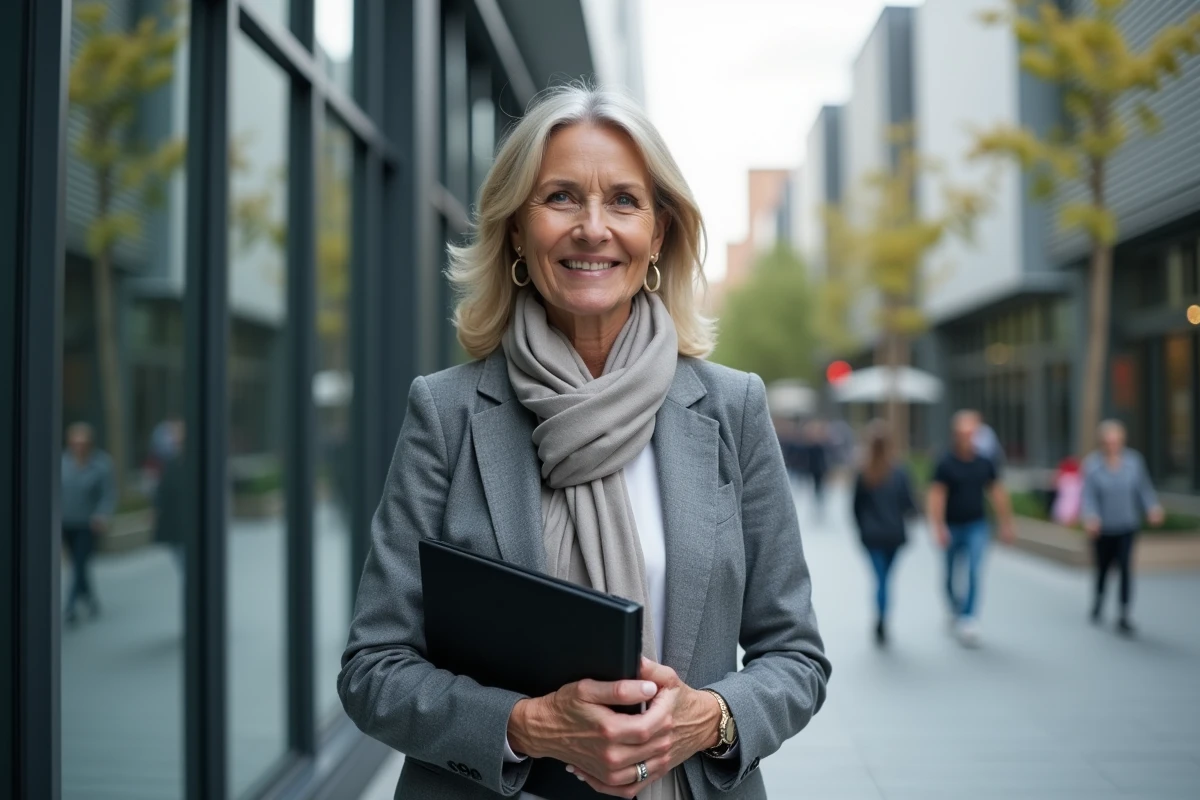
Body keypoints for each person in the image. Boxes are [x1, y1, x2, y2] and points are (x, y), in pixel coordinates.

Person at [339, 85, 830, 800]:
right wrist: (526, 725)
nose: (592, 228)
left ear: (659, 234)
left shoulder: (733, 409)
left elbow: (796, 657)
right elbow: (372, 669)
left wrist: (708, 718)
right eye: (561, 197)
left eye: (624, 201)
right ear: (514, 228)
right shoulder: (445, 413)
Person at [926, 410, 1015, 647]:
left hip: (977, 525)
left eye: (972, 433)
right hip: (952, 526)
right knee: (949, 575)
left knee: (974, 570)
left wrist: (1006, 523)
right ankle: (956, 607)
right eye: (963, 434)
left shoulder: (984, 462)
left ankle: (969, 617)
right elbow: (936, 496)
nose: (968, 438)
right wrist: (938, 526)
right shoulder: (945, 462)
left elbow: (997, 493)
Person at [1081, 420, 1163, 635]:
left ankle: (1124, 614)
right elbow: (1088, 496)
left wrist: (1152, 507)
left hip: (1127, 525)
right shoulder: (1092, 465)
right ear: (1101, 443)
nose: (1112, 446)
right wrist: (1091, 517)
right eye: (1108, 442)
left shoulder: (1134, 462)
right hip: (1102, 528)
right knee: (1103, 569)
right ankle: (1099, 600)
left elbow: (1143, 489)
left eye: (1116, 442)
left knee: (1126, 569)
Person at [852, 421, 916, 646]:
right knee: (886, 578)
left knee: (879, 579)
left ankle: (880, 616)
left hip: (872, 536)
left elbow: (856, 507)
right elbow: (909, 504)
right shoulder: (899, 472)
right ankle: (883, 615)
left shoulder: (864, 472)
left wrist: (861, 529)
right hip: (894, 535)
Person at [60, 422, 115, 626]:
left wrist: (101, 515)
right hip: (65, 522)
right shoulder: (61, 462)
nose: (79, 447)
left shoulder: (101, 464)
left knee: (80, 562)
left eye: (82, 443)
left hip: (88, 523)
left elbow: (108, 494)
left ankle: (70, 605)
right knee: (77, 563)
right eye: (75, 442)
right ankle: (90, 598)